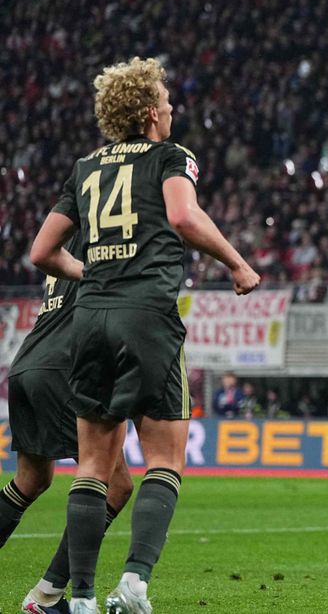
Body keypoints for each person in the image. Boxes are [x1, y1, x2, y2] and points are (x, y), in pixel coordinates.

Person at [29, 56, 260, 614]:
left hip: (90, 317)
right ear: (152, 112)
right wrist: (236, 262)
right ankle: (133, 584)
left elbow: (42, 252)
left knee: (92, 465)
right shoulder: (171, 156)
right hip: (147, 316)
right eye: (167, 100)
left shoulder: (86, 167)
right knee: (164, 458)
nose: (172, 108)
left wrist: (94, 273)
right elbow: (183, 216)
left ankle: (80, 598)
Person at [2, 243, 136, 614]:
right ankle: (47, 595)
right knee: (116, 485)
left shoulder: (65, 239)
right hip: (67, 367)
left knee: (30, 481)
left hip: (29, 363)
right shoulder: (106, 236)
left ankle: (47, 595)